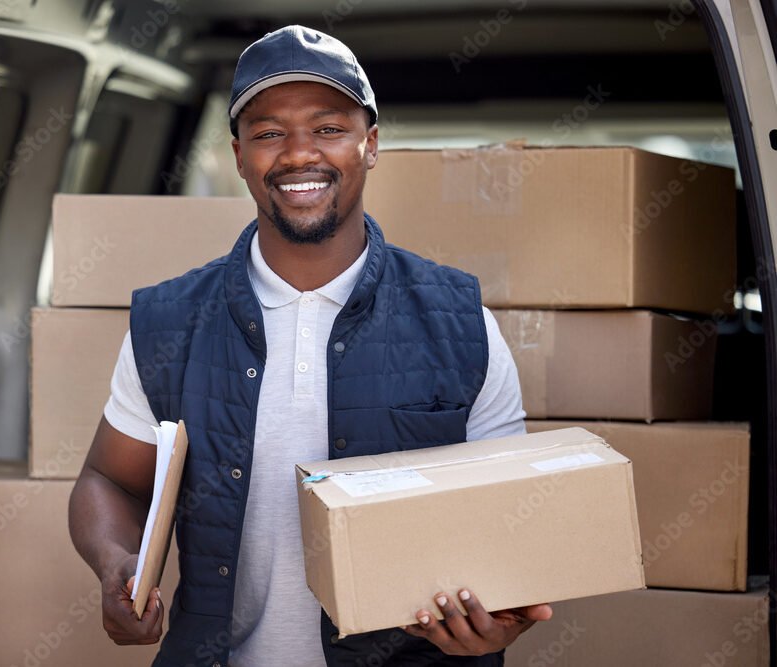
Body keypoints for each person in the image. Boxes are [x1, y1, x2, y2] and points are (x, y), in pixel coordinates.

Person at [68, 24, 551, 667]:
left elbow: (511, 524)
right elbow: (108, 479)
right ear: (239, 154)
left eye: (328, 128)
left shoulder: (459, 321)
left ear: (370, 145)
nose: (299, 154)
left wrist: (503, 620)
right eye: (269, 133)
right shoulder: (171, 321)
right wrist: (117, 566)